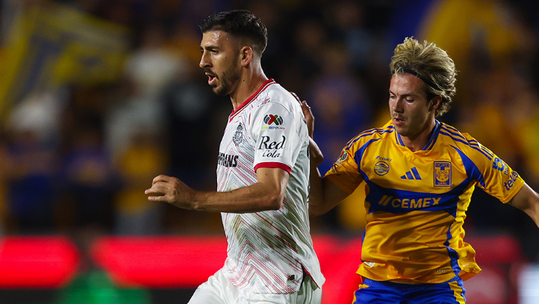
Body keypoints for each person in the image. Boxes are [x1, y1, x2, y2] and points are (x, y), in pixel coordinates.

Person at [302, 37, 539, 303]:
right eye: (392, 96)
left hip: (437, 290)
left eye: (409, 99)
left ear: (434, 103)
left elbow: (532, 203)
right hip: (379, 289)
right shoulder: (366, 148)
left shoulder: (465, 153)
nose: (396, 107)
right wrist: (310, 157)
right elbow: (318, 204)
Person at [144, 10, 324, 303]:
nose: (202, 62)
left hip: (276, 279)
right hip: (236, 272)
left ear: (244, 56)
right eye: (203, 51)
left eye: (213, 51)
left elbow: (271, 192)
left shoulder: (272, 109)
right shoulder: (244, 109)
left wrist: (193, 199)